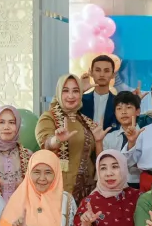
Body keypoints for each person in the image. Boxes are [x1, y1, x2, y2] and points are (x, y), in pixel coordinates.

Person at [36, 73, 107, 203]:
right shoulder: (49, 117)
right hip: (59, 191)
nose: (70, 96)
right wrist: (57, 140)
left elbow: (98, 159)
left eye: (75, 91)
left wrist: (98, 142)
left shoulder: (85, 121)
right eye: (65, 91)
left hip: (87, 191)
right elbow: (46, 142)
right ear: (58, 93)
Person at [103, 90, 144, 189]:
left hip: (140, 184)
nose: (124, 112)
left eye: (128, 107)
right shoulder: (109, 138)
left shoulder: (146, 135)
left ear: (138, 111)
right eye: (119, 108)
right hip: (114, 185)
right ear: (115, 113)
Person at [80, 54, 119, 131]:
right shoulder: (80, 100)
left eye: (106, 71)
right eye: (98, 70)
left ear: (113, 75)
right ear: (90, 72)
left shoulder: (118, 103)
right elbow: (58, 111)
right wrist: (81, 91)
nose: (102, 75)